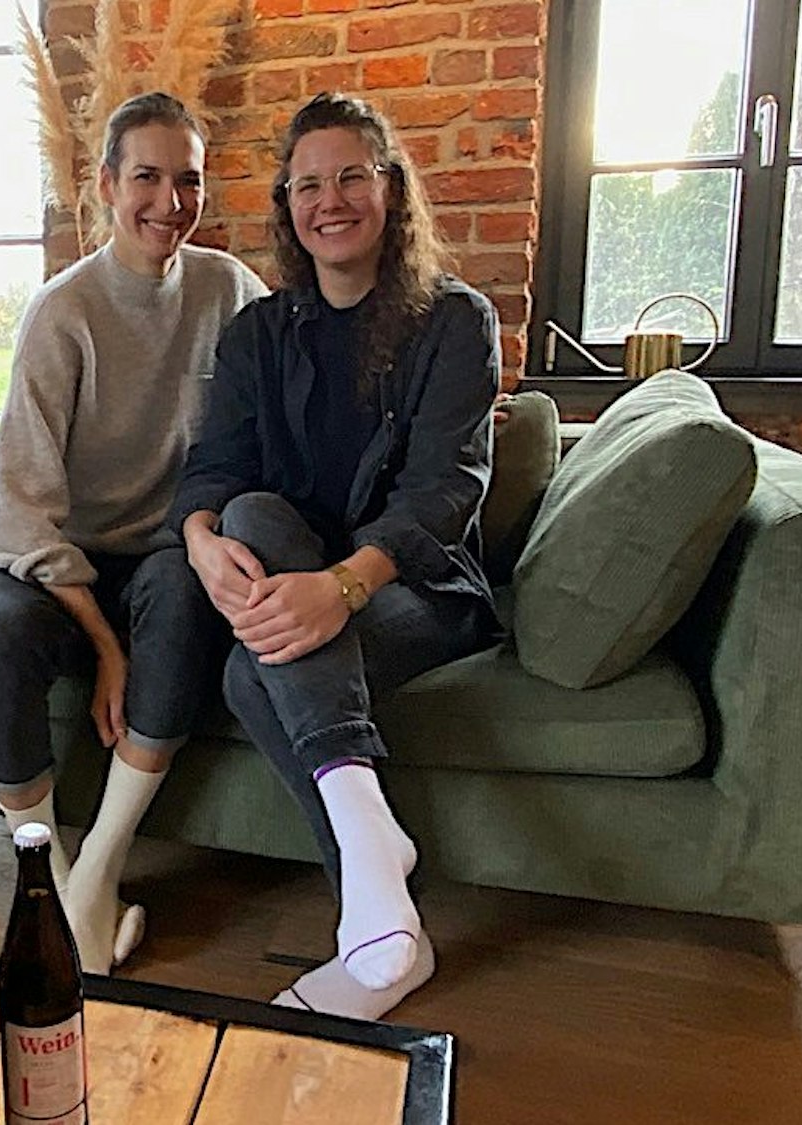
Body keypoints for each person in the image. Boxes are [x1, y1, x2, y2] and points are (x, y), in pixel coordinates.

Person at [173, 93, 500, 1020]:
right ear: (288, 204)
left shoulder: (455, 321)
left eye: (352, 176)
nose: (331, 200)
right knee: (249, 510)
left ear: (390, 189)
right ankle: (380, 886)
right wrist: (201, 542)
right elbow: (215, 468)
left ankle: (375, 910)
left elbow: (449, 489)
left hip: (418, 589)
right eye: (308, 183)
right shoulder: (259, 334)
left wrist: (345, 584)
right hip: (292, 568)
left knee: (249, 675)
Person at [0, 92, 268, 975]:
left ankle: (97, 873)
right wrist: (106, 646)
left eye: (188, 181)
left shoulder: (229, 290)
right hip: (65, 558)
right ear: (106, 184)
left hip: (172, 547)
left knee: (182, 597)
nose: (169, 203)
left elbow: (266, 422)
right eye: (147, 177)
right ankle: (52, 884)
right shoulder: (61, 313)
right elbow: (21, 509)